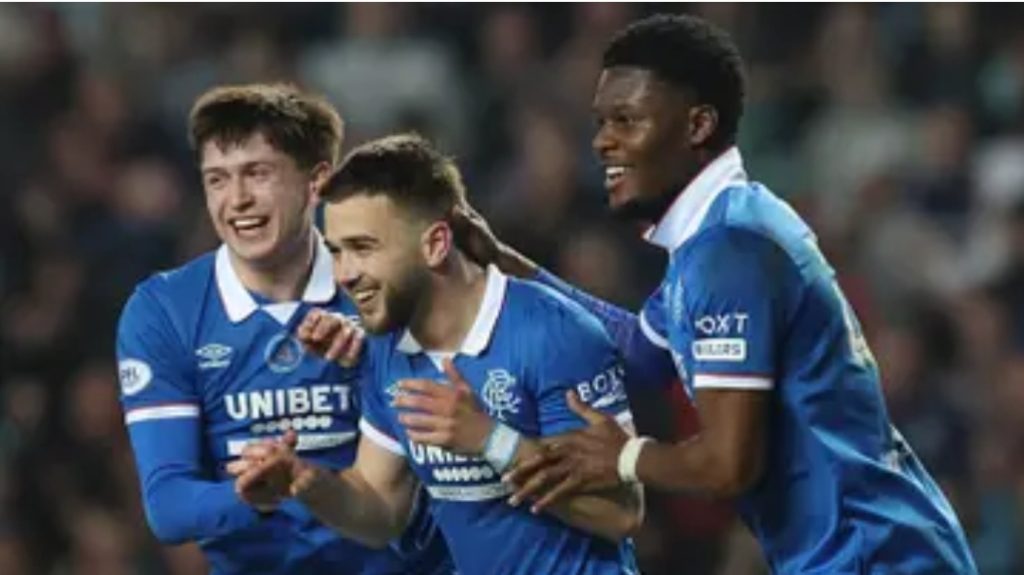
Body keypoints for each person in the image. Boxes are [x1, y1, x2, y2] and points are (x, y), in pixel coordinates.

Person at [455, 14, 979, 574]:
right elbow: (642, 351)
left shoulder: (728, 250)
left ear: (698, 125)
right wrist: (508, 269)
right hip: (868, 550)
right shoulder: (719, 233)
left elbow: (729, 466)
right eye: (601, 122)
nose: (603, 142)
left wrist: (624, 457)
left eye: (626, 120)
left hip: (874, 558)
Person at [231, 134, 643, 575]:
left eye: (363, 247)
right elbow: (381, 510)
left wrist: (491, 440)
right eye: (336, 251)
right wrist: (306, 482)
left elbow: (621, 514)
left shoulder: (554, 334)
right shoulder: (387, 347)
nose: (344, 274)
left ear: (435, 244)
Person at [114, 84, 450, 575]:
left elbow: (459, 447)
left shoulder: (390, 285)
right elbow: (168, 506)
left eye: (258, 173)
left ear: (317, 183)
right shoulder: (165, 311)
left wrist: (375, 362)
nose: (237, 200)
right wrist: (256, 494)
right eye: (217, 180)